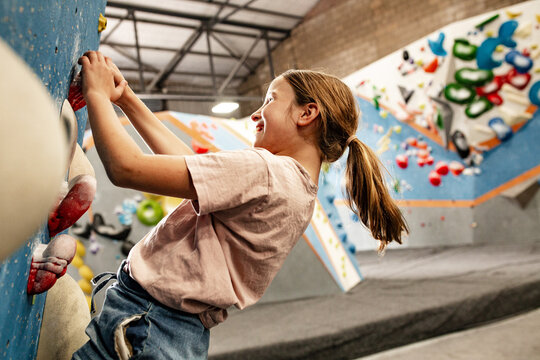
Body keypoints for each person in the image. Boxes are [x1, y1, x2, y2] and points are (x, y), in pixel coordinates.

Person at [72, 51, 408, 360]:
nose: (256, 113)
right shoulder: (298, 188)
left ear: (307, 113)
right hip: (171, 332)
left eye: (271, 100)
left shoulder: (265, 170)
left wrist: (97, 95)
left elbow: (125, 167)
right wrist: (128, 100)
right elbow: (189, 165)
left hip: (147, 321)